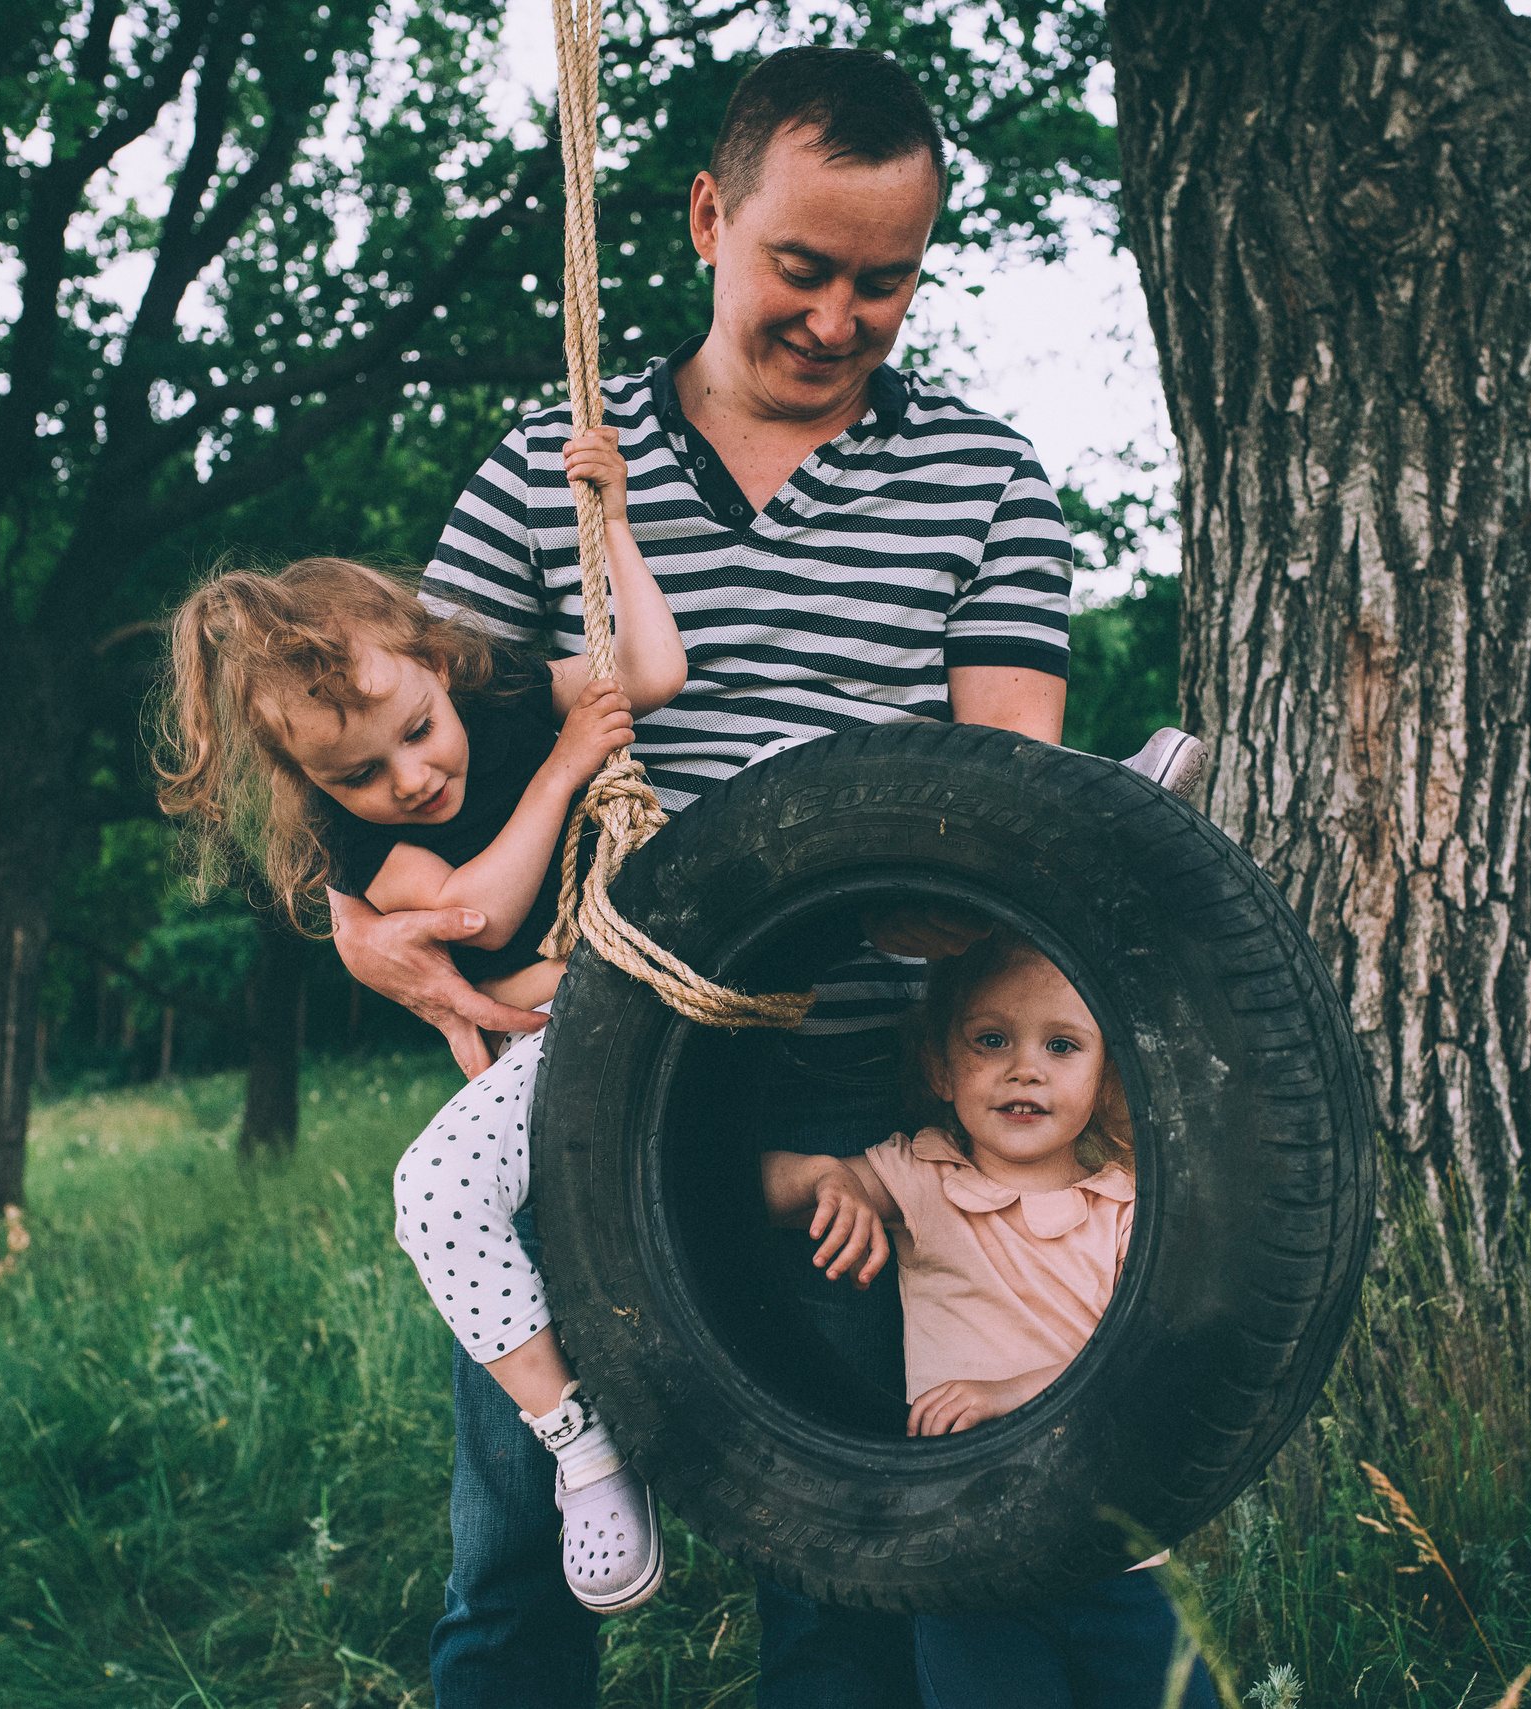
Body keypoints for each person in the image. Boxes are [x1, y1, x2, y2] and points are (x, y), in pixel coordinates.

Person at [326, 45, 1198, 1709]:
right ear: (712, 218)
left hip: (856, 1110)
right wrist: (360, 923)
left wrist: (943, 891)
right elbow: (391, 771)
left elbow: (995, 810)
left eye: (887, 279)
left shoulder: (993, 486)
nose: (840, 313)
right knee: (518, 1558)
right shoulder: (545, 473)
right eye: (804, 265)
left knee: (841, 1571)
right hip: (584, 1087)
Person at [152, 429, 685, 1617]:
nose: (407, 774)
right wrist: (561, 774)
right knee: (434, 1194)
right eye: (356, 770)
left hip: (660, 992)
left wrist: (615, 525)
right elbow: (477, 905)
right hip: (553, 1045)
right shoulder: (354, 848)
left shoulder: (492, 695)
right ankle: (580, 1444)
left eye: (412, 725)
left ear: (432, 659)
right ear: (313, 787)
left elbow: (647, 675)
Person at [760, 934, 1219, 1709]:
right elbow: (758, 1191)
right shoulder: (920, 1175)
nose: (1024, 1067)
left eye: (1062, 1044)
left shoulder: (1128, 1211)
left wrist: (1014, 1394)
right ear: (942, 1065)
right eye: (991, 1040)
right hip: (965, 1561)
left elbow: (1154, 1363)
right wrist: (824, 1175)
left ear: (1106, 1073)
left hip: (1114, 1560)